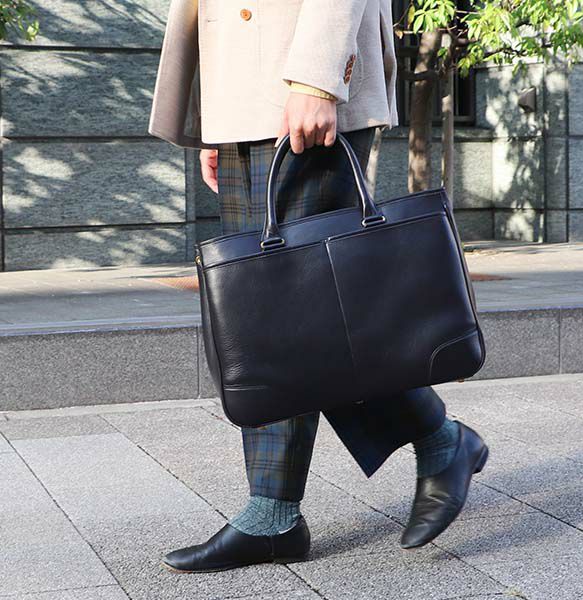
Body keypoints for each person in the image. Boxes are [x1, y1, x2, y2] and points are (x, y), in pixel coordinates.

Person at [148, 0, 488, 573]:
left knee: (300, 309)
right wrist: (220, 112)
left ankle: (425, 445)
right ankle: (279, 510)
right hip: (248, 86)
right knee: (265, 311)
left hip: (299, 77)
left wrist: (318, 78)